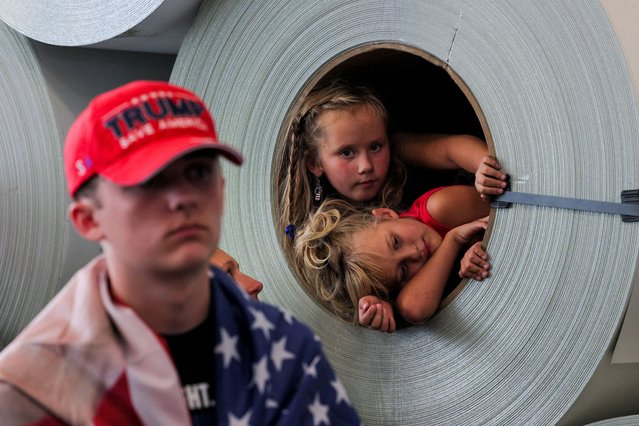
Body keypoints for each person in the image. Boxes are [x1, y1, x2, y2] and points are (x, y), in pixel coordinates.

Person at [0, 81, 361, 425]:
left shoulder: (286, 348)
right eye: (149, 181)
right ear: (88, 220)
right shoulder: (32, 386)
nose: (183, 198)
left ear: (220, 191)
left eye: (198, 173)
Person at [277, 79, 507, 247]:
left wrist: (484, 167)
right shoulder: (323, 228)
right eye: (347, 153)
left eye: (376, 146)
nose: (366, 165)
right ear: (315, 163)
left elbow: (451, 148)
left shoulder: (397, 150)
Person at [295, 185, 491, 333]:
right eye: (403, 270)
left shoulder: (440, 207)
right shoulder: (417, 287)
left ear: (386, 216)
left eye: (396, 242)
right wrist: (453, 241)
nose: (414, 253)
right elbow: (413, 309)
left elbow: (506, 212)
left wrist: (473, 243)